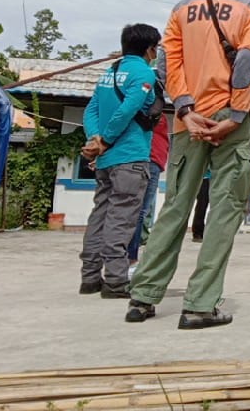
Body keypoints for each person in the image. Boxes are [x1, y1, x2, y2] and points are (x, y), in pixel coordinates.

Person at [125, 0, 250, 329]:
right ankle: (199, 306)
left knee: (175, 205)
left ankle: (142, 297)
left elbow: (167, 64)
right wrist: (236, 114)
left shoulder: (182, 8)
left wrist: (187, 110)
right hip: (232, 121)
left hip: (188, 122)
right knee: (223, 213)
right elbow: (248, 61)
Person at [79, 24, 162, 298]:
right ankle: (115, 281)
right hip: (130, 157)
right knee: (121, 220)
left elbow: (92, 109)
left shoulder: (110, 72)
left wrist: (96, 140)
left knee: (99, 216)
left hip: (105, 161)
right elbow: (129, 108)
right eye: (156, 48)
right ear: (150, 49)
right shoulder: (143, 73)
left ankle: (90, 278)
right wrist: (107, 139)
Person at [127, 113, 169, 272]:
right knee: (138, 212)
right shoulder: (152, 109)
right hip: (148, 158)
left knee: (134, 211)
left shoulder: (146, 108)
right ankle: (130, 259)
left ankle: (127, 258)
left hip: (145, 158)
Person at [191, 169, 211, 242]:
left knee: (217, 207)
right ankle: (197, 232)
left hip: (217, 177)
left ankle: (214, 232)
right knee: (201, 205)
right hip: (204, 178)